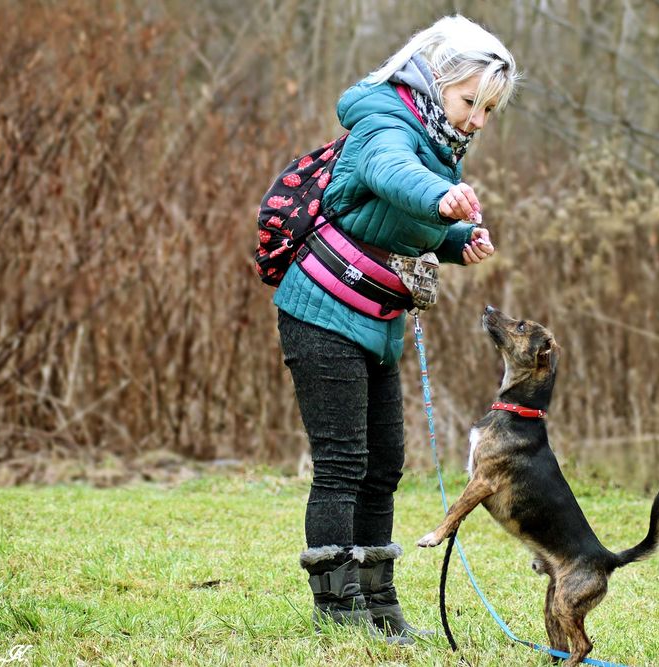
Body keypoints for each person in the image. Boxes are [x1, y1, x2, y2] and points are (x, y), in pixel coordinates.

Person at [272, 15, 518, 642]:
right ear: (439, 79)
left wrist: (460, 239)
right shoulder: (385, 119)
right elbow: (387, 175)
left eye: (489, 111)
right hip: (321, 311)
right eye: (471, 103)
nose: (477, 121)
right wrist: (441, 197)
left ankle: (379, 602)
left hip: (376, 321)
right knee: (343, 461)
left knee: (385, 464)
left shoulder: (438, 140)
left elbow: (395, 220)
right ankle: (337, 606)